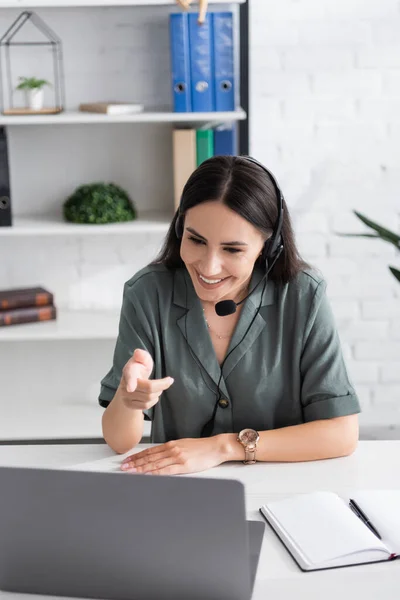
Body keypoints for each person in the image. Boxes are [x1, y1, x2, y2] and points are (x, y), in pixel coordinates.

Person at [99, 155, 360, 475]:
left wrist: (223, 447)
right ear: (180, 227)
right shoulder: (147, 293)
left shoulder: (303, 296)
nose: (208, 267)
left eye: (232, 250)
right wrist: (129, 401)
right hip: (179, 488)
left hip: (284, 486)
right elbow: (120, 442)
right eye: (196, 240)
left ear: (268, 245)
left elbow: (342, 433)